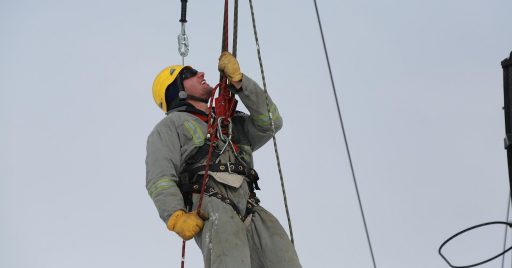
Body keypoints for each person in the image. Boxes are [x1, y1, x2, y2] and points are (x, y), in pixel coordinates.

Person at [146, 52, 301, 268]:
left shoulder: (229, 123)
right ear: (176, 90)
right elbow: (160, 177)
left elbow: (271, 122)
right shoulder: (170, 126)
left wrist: (240, 83)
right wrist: (175, 215)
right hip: (212, 204)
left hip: (250, 205)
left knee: (285, 261)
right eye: (189, 74)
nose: (200, 72)